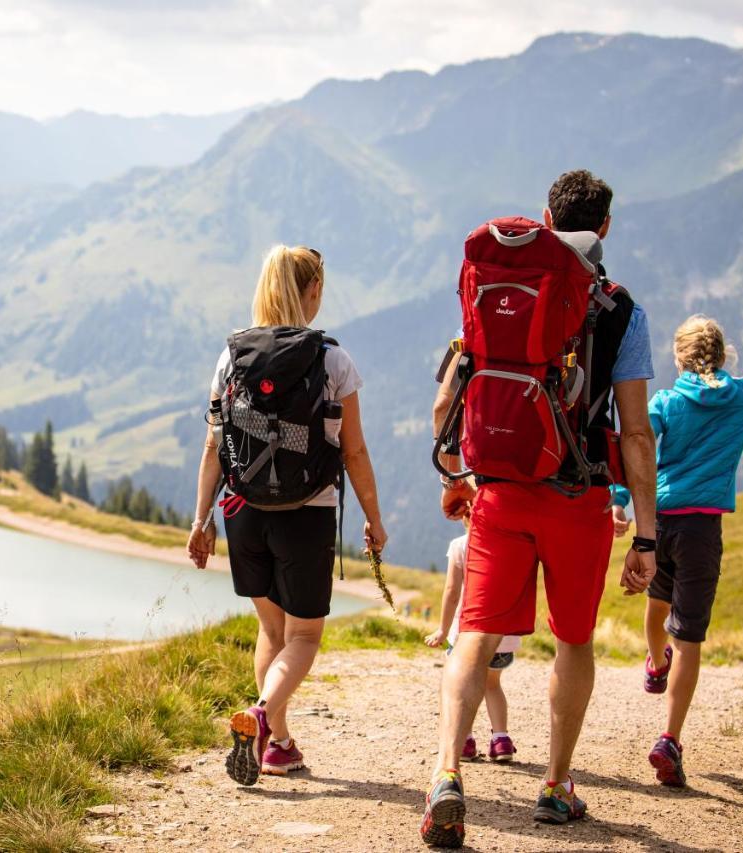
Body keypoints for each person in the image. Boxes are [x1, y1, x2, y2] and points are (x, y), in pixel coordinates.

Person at [421, 170, 660, 848]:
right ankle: (556, 786)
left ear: (545, 217)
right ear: (605, 227)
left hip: (498, 488)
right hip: (578, 495)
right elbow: (636, 432)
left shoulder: (499, 284)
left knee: (475, 630)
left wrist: (456, 473)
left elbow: (447, 399)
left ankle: (445, 771)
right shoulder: (619, 309)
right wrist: (646, 534)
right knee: (573, 638)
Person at [186, 244, 388, 786]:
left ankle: (278, 745)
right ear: (313, 291)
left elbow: (212, 444)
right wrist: (373, 517)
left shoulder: (231, 357)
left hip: (243, 511)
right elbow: (355, 452)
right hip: (306, 513)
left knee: (271, 632)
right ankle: (260, 718)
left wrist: (201, 518)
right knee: (303, 638)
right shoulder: (333, 360)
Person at [611, 315, 743, 787]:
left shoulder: (666, 401)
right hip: (701, 529)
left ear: (679, 358)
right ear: (722, 354)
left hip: (658, 522)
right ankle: (669, 740)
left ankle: (656, 666)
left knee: (658, 603)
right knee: (690, 634)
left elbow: (632, 449)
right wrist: (737, 381)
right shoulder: (740, 396)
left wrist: (619, 503)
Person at [424, 514, 520, 764]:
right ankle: (501, 741)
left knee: (460, 684)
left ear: (466, 514)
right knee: (492, 684)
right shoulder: (510, 543)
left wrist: (442, 630)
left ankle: (464, 741)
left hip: (466, 633)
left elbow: (452, 591)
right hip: (503, 636)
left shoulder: (460, 545)